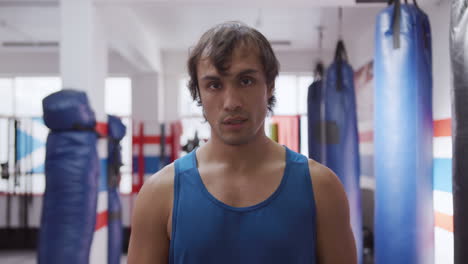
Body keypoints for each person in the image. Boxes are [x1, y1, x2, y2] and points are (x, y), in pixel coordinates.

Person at [127, 21, 357, 264]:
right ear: (199, 94)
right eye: (214, 85)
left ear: (269, 86)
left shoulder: (321, 188)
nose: (231, 102)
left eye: (245, 81)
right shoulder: (160, 194)